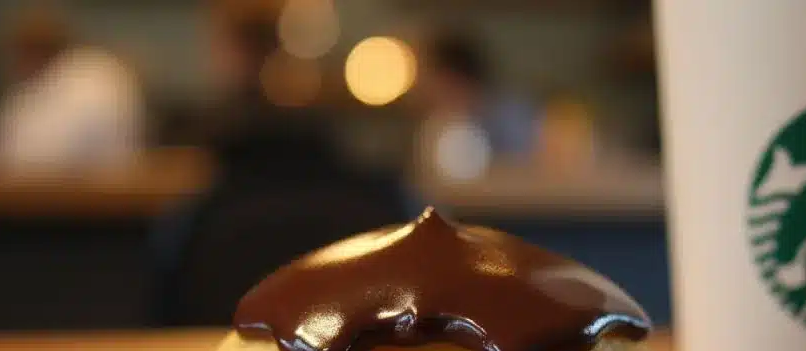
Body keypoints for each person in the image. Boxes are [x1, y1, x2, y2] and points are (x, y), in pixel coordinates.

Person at [150, 1, 415, 326]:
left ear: (232, 48)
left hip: (211, 328)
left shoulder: (206, 134)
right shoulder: (343, 123)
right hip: (343, 333)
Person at [0, 6, 144, 169]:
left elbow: (50, 154)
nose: (15, 63)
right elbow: (4, 156)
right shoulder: (20, 94)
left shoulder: (96, 78)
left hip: (97, 188)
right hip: (27, 188)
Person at [412, 27, 538, 169]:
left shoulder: (510, 115)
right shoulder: (439, 124)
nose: (425, 90)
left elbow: (528, 170)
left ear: (452, 79)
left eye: (431, 80)